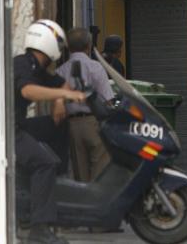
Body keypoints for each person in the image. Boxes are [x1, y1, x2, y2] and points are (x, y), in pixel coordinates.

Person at [14, 20, 87, 244]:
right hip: (7, 130)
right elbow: (28, 91)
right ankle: (39, 229)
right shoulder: (22, 64)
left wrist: (58, 98)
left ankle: (56, 183)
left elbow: (62, 84)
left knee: (58, 124)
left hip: (19, 124)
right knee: (44, 163)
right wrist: (64, 96)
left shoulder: (38, 67)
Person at [55, 27, 115, 183]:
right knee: (100, 167)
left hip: (72, 125)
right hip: (94, 122)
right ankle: (97, 200)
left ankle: (84, 202)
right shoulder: (95, 67)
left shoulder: (60, 71)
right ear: (89, 45)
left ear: (68, 46)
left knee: (80, 173)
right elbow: (108, 99)